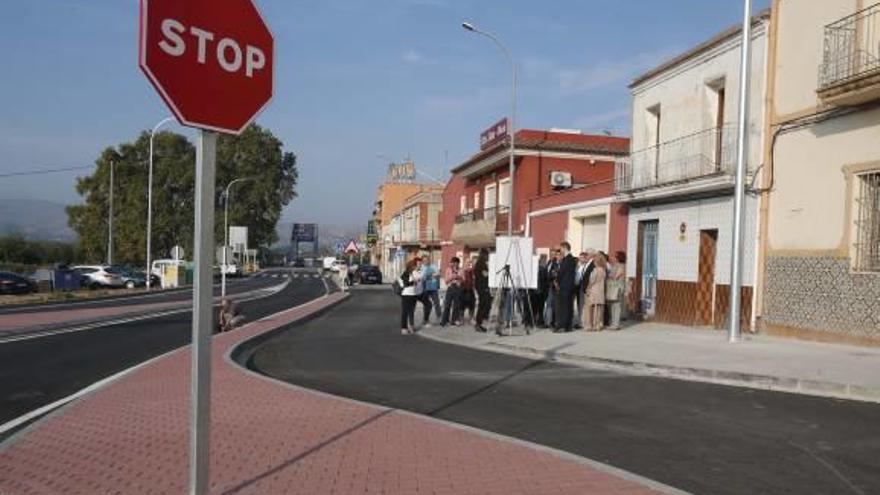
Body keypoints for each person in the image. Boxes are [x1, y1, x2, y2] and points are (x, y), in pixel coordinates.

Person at [554, 242, 578, 332]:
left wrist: (557, 280)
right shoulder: (568, 259)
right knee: (566, 306)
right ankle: (567, 326)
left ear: (565, 248)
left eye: (561, 249)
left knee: (564, 307)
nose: (561, 251)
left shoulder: (569, 259)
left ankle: (563, 326)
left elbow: (562, 272)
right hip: (565, 286)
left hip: (566, 287)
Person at [399, 258, 423, 335]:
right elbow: (405, 283)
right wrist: (413, 282)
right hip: (406, 295)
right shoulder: (406, 273)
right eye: (415, 265)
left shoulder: (415, 273)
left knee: (412, 311)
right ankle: (404, 328)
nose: (417, 266)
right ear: (411, 266)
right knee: (405, 312)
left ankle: (411, 326)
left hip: (414, 294)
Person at [584, 253, 607, 331]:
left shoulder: (595, 270)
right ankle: (598, 324)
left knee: (591, 308)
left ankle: (590, 325)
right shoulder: (603, 271)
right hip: (600, 290)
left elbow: (592, 281)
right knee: (599, 308)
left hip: (594, 290)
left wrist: (587, 288)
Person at [573, 251, 595, 329]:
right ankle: (580, 321)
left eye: (582, 257)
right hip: (577, 287)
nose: (580, 259)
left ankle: (582, 322)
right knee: (579, 304)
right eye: (580, 257)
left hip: (583, 287)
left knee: (582, 305)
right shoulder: (578, 266)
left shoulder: (586, 266)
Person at [607, 251, 627, 330]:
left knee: (617, 306)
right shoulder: (615, 265)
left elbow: (616, 276)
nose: (613, 258)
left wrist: (609, 275)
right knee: (613, 306)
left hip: (618, 288)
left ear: (619, 257)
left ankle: (616, 324)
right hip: (613, 287)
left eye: (615, 256)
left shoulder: (621, 266)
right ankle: (613, 323)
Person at [473, 249, 492, 333]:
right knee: (484, 303)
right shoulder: (481, 263)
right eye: (487, 255)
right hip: (482, 286)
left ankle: (480, 321)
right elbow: (485, 274)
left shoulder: (480, 263)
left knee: (486, 302)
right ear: (484, 255)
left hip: (480, 286)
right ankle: (479, 322)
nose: (488, 257)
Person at [441, 256, 463, 326]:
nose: (455, 264)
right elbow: (446, 281)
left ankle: (454, 320)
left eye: (457, 263)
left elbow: (463, 279)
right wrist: (452, 277)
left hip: (457, 288)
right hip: (450, 288)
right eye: (454, 263)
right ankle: (444, 320)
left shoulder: (460, 270)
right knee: (447, 305)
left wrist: (459, 277)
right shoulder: (448, 270)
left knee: (456, 305)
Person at [420, 255, 441, 327]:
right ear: (423, 261)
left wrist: (432, 275)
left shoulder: (434, 266)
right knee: (426, 304)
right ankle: (425, 319)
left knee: (437, 303)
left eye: (427, 260)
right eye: (424, 260)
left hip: (433, 287)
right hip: (425, 288)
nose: (426, 261)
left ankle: (439, 317)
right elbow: (421, 277)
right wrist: (428, 276)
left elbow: (438, 274)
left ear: (429, 260)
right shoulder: (422, 267)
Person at [544, 250, 561, 328]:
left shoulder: (555, 264)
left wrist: (553, 279)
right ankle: (548, 321)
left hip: (553, 286)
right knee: (548, 304)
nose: (553, 256)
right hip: (547, 286)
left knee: (551, 304)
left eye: (554, 255)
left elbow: (553, 274)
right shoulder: (548, 263)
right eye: (551, 254)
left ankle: (551, 322)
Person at [460, 259, 476, 323]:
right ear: (465, 263)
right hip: (463, 289)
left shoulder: (472, 271)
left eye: (470, 263)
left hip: (471, 289)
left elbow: (474, 279)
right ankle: (461, 318)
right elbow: (462, 279)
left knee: (472, 304)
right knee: (462, 304)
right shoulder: (462, 270)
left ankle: (471, 318)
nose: (469, 264)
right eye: (468, 263)